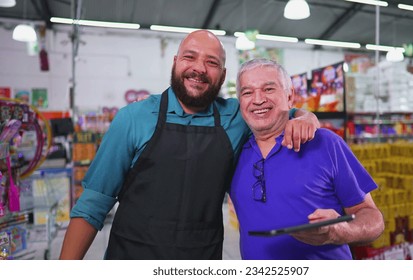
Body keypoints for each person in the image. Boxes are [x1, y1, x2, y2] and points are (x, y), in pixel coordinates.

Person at [59, 30, 320, 260]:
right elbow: (93, 205)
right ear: (175, 62)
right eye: (190, 57)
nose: (199, 68)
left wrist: (305, 116)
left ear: (223, 74)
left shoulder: (236, 117)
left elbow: (277, 109)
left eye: (212, 62)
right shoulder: (133, 118)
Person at [230, 58, 384, 260]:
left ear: (290, 96)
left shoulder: (325, 143)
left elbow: (373, 218)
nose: (258, 99)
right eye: (247, 92)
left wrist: (341, 231)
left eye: (269, 89)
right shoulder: (234, 152)